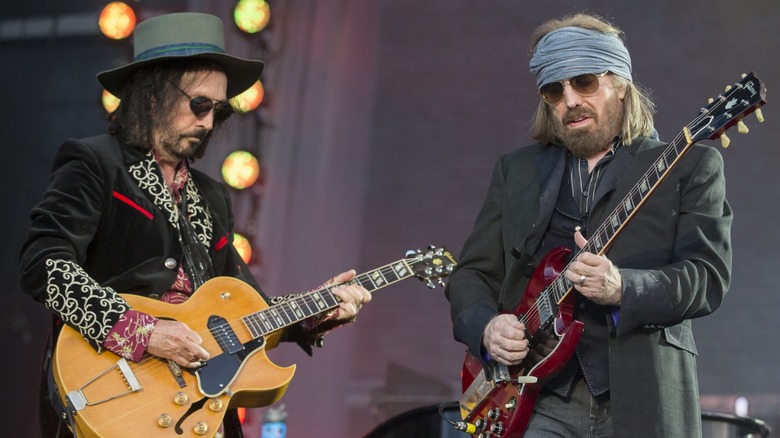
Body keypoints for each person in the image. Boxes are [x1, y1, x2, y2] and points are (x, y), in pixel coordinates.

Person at [18, 12, 371, 438]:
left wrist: (319, 310)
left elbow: (248, 310)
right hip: (112, 392)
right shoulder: (95, 163)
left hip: (197, 409)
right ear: (151, 97)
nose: (207, 122)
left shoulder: (213, 196)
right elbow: (44, 263)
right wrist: (142, 331)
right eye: (199, 104)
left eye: (217, 111)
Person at [445, 13, 732, 436]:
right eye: (554, 90)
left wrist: (622, 287)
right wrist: (487, 327)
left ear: (619, 83)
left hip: (643, 396)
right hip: (536, 397)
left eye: (584, 82)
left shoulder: (687, 165)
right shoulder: (517, 171)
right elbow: (472, 273)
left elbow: (707, 277)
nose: (570, 100)